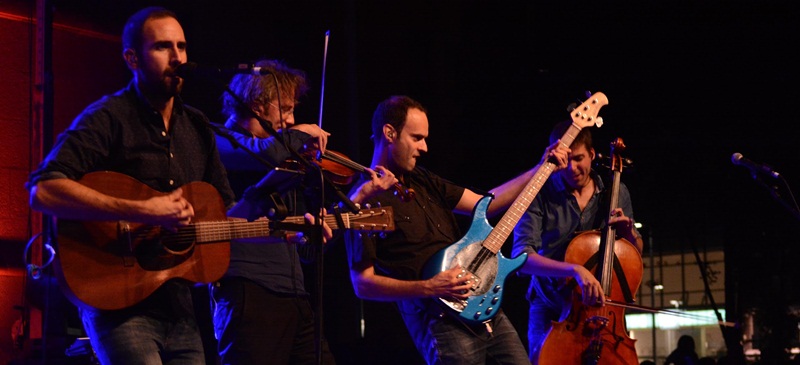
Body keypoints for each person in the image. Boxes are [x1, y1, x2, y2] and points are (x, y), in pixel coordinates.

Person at [26, 6, 234, 364]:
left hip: (180, 308)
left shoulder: (197, 127)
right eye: (163, 47)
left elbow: (227, 211)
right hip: (117, 303)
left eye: (182, 47)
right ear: (132, 58)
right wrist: (144, 209)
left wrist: (282, 227)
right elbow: (44, 189)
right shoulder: (109, 117)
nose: (177, 58)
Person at [344, 95, 569, 364]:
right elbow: (363, 284)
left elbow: (486, 203)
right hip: (438, 320)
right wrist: (428, 287)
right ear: (389, 133)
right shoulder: (364, 198)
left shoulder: (422, 178)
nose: (424, 147)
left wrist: (540, 169)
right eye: (416, 138)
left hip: (485, 303)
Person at [209, 58, 396, 364]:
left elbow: (307, 251)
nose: (292, 118)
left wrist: (358, 196)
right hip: (247, 293)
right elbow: (262, 155)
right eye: (286, 109)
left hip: (295, 295)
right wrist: (301, 132)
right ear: (257, 105)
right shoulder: (218, 138)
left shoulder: (288, 160)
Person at [511, 118, 644, 363]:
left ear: (592, 154)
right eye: (565, 159)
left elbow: (634, 254)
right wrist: (575, 270)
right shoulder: (539, 192)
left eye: (579, 158)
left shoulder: (616, 192)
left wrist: (628, 234)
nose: (571, 167)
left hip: (602, 313)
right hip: (550, 307)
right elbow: (522, 258)